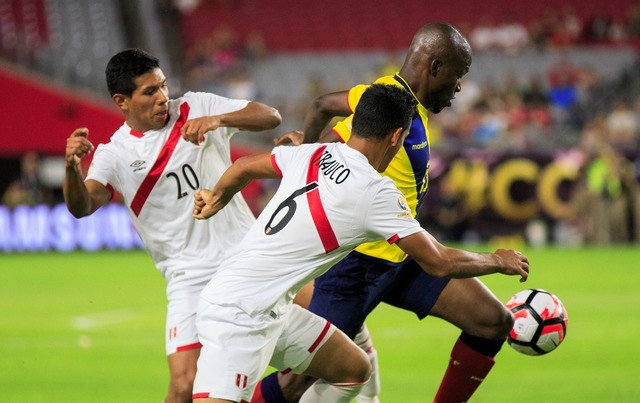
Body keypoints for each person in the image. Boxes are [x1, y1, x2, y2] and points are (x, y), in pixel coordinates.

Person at [190, 84, 529, 403]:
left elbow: (244, 166)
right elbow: (438, 261)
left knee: (353, 370)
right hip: (238, 316)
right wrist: (498, 259)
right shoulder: (374, 191)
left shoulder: (312, 153)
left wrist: (216, 196)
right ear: (396, 137)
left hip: (274, 309)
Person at [256, 22, 516, 403]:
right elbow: (331, 125)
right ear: (436, 68)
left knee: (493, 321)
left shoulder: (387, 94)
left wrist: (305, 150)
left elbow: (324, 107)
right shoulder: (395, 110)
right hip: (354, 269)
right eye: (458, 77)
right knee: (297, 381)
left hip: (402, 255)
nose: (459, 88)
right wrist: (301, 158)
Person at [63, 48, 283, 403]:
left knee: (323, 338)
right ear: (122, 100)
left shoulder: (196, 106)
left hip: (248, 256)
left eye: (163, 86)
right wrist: (72, 168)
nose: (163, 98)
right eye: (149, 92)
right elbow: (82, 205)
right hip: (189, 276)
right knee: (183, 386)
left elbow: (269, 116)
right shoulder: (114, 153)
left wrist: (218, 120)